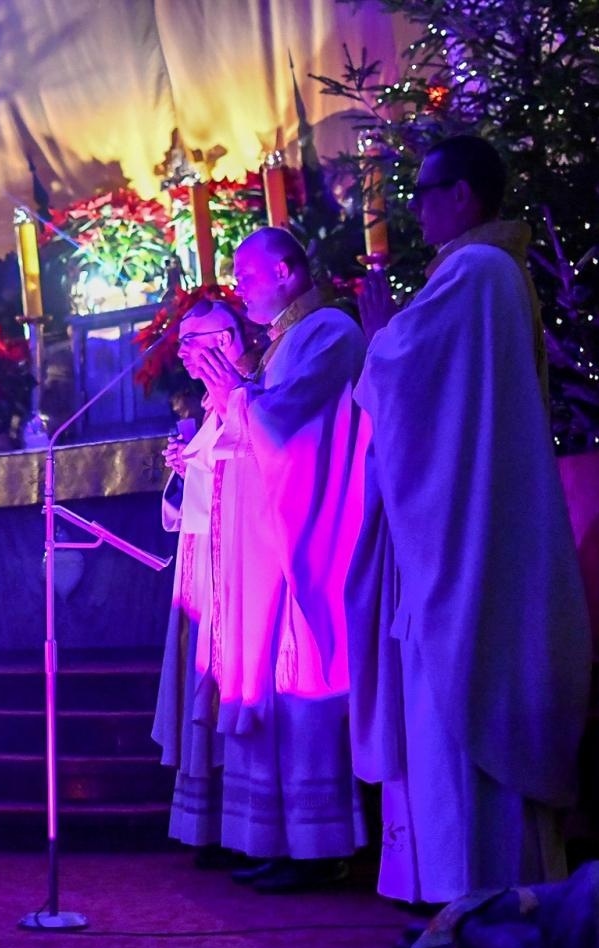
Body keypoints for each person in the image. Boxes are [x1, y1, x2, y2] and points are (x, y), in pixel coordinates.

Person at [349, 134, 590, 904]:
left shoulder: (478, 273)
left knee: (461, 712)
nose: (415, 208)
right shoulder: (480, 273)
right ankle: (458, 903)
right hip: (456, 521)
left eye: (426, 191)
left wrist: (382, 331)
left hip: (468, 536)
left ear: (466, 195)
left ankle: (484, 907)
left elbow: (400, 380)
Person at [188, 228, 370, 892]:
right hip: (266, 547)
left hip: (308, 544)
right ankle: (274, 839)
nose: (240, 288)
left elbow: (290, 428)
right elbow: (249, 430)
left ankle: (319, 847)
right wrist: (227, 401)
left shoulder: (329, 334)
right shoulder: (282, 345)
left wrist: (239, 393)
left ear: (290, 271)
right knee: (266, 689)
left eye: (249, 274)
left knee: (302, 681)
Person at [152, 297, 262, 865]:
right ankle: (212, 826)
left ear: (226, 338)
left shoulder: (250, 387)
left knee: (225, 697)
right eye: (185, 346)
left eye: (195, 344)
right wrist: (186, 464)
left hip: (243, 568)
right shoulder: (215, 403)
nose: (187, 357)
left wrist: (201, 458)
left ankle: (238, 827)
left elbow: (263, 463)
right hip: (205, 564)